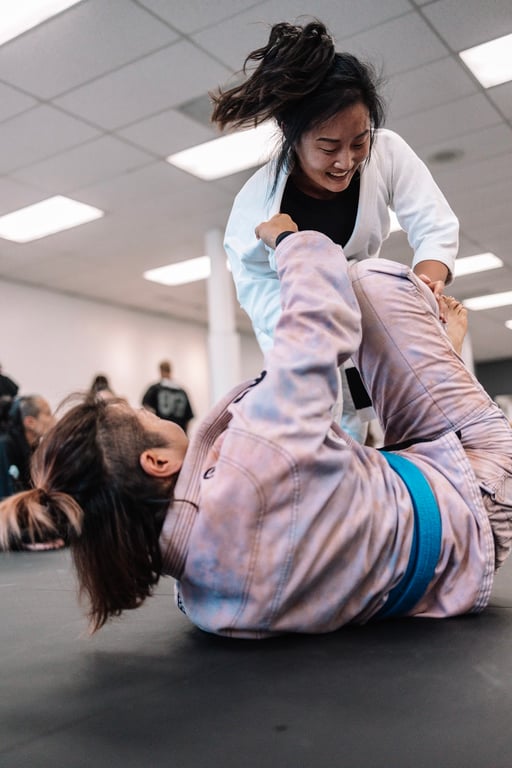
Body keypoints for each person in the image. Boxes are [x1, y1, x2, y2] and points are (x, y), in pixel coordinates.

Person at [1, 215, 511, 637]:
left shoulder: (204, 598)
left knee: (330, 452)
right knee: (367, 281)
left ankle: (432, 377)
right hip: (474, 489)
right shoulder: (257, 453)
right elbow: (320, 316)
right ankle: (443, 358)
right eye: (145, 415)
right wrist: (289, 240)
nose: (151, 411)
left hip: (431, 560)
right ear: (156, 461)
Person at [211, 20, 459, 440]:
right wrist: (323, 324)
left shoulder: (387, 152)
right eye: (328, 147)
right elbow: (261, 295)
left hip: (372, 313)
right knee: (326, 439)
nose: (346, 161)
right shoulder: (255, 208)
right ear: (291, 134)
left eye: (358, 142)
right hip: (303, 336)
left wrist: (424, 288)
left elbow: (434, 225)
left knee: (394, 426)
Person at [0, 395, 64, 551]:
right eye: (47, 413)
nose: (53, 419)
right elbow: (9, 497)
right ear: (30, 422)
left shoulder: (35, 448)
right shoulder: (5, 446)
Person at [142, 361, 194, 434]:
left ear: (160, 371)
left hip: (161, 433)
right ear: (170, 370)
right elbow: (188, 418)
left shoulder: (154, 389)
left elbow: (147, 408)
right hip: (178, 433)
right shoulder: (182, 391)